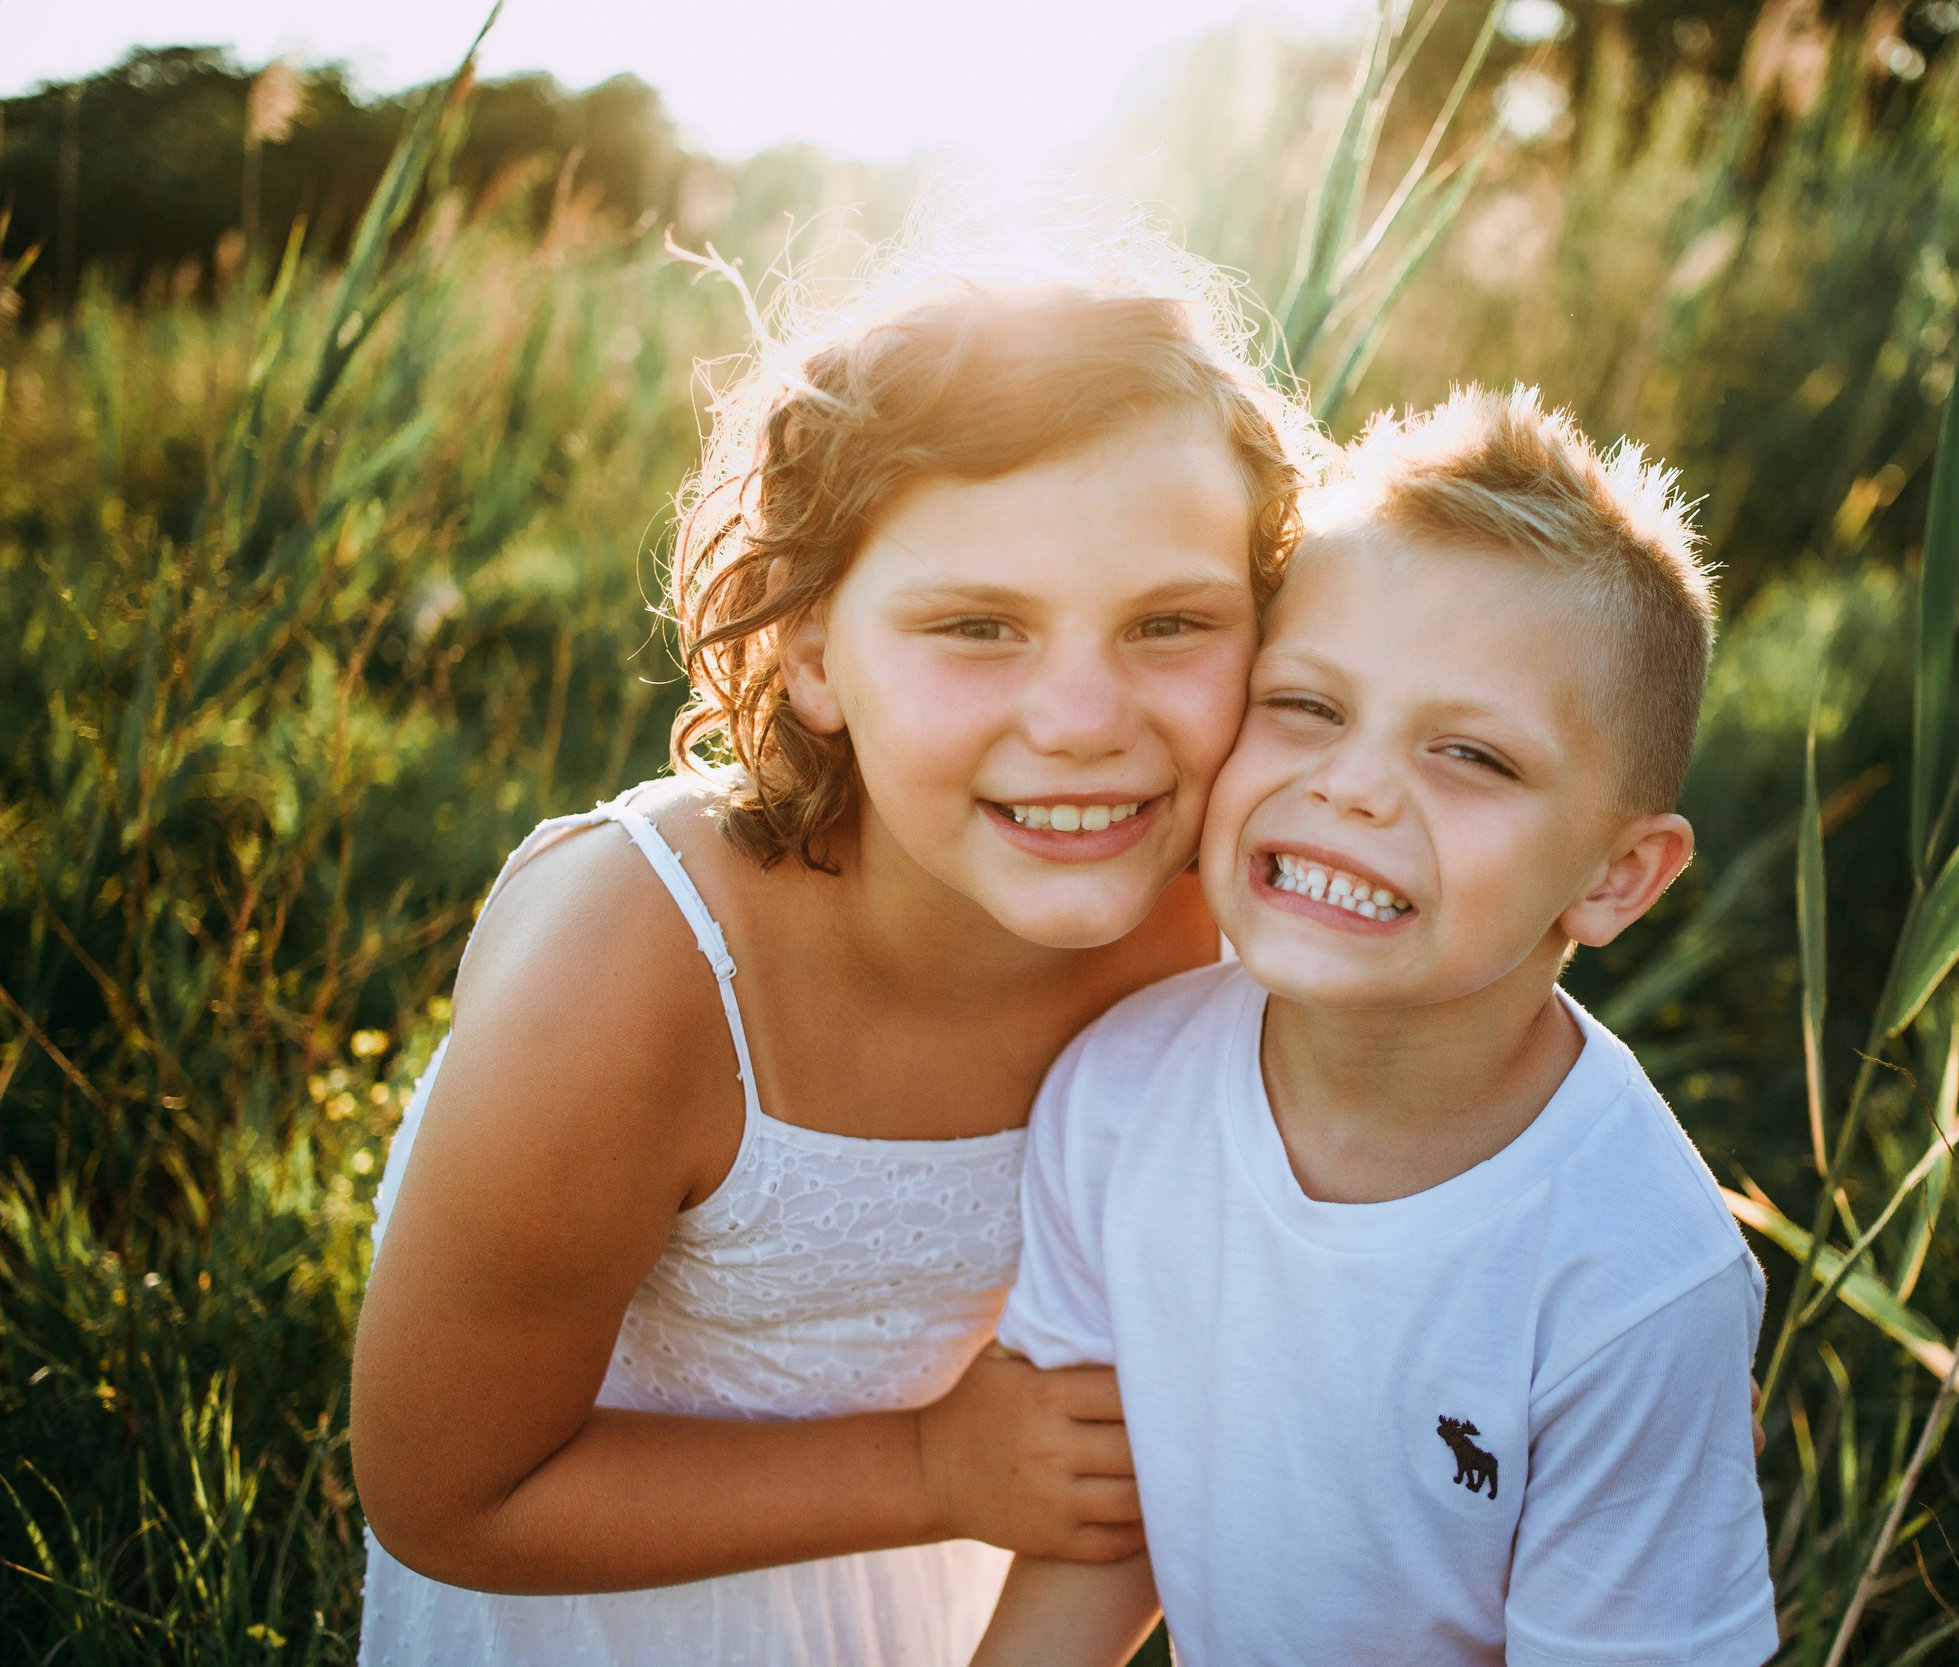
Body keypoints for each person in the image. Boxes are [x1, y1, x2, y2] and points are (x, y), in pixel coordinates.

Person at [348, 232, 1319, 1667]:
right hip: (602, 1605)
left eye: (1170, 622)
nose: (1081, 717)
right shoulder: (637, 967)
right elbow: (451, 1488)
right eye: (977, 625)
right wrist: (931, 1468)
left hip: (945, 1596)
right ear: (812, 653)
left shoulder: (1233, 940)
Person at [975, 386, 1779, 1666]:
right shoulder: (1119, 1097)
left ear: (1615, 876)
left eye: (1471, 755)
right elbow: (1101, 1528)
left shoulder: (1633, 1282)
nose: (1350, 786)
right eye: (1306, 705)